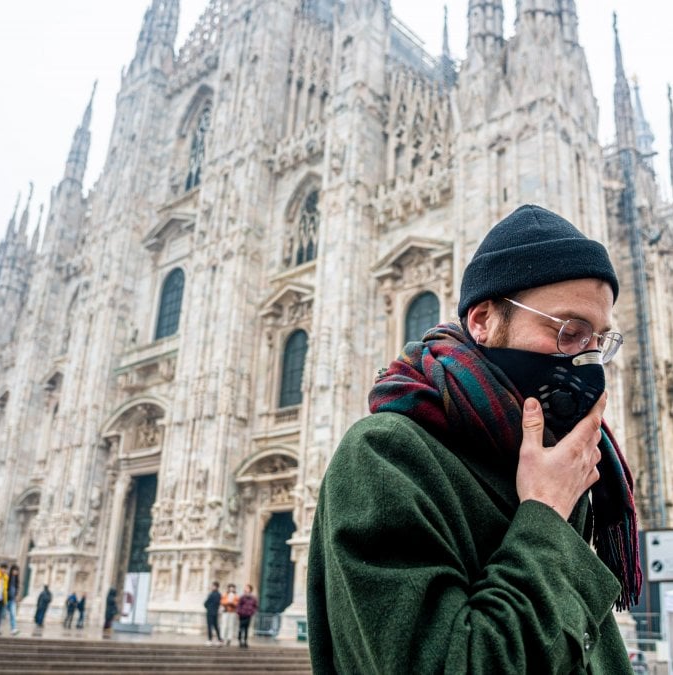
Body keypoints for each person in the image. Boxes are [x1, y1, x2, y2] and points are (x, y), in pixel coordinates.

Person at [307, 204, 641, 672]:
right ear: (482, 320)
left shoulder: (556, 460)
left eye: (600, 341)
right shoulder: (384, 455)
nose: (587, 360)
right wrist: (545, 512)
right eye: (570, 331)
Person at [236, 584, 259, 649]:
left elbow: (255, 606)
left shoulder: (253, 598)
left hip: (248, 615)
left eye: (247, 588)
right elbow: (238, 605)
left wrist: (252, 612)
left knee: (246, 628)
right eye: (245, 588)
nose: (246, 589)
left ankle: (245, 641)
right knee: (241, 628)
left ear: (250, 589)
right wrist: (239, 612)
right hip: (242, 614)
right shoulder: (242, 597)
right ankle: (240, 640)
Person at [5, 564, 21, 635]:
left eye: (17, 571)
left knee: (13, 614)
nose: (16, 572)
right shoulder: (7, 578)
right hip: (5, 599)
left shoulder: (17, 580)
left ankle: (14, 628)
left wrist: (16, 596)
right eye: (15, 570)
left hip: (12, 600)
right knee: (0, 614)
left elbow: (16, 589)